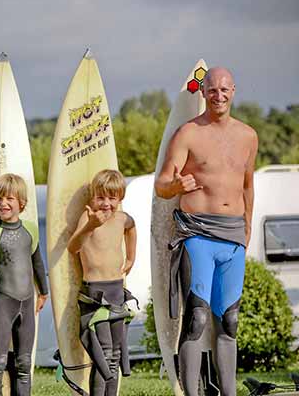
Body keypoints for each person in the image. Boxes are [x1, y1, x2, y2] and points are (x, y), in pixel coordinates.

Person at [154, 67, 258, 396]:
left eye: (225, 89)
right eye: (212, 90)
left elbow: (247, 185)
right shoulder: (187, 134)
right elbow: (161, 186)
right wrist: (175, 184)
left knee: (229, 321)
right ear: (204, 93)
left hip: (232, 237)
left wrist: (247, 226)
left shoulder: (248, 136)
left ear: (234, 91)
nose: (219, 95)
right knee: (197, 318)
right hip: (198, 234)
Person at [0, 173, 49, 396]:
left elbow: (37, 261)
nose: (3, 203)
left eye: (9, 199)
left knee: (24, 363)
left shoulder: (31, 229)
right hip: (4, 302)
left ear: (21, 203)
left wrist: (43, 292)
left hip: (27, 302)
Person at [67, 169, 137, 396]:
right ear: (92, 197)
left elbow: (131, 226)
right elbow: (73, 247)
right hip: (95, 295)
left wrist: (131, 257)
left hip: (117, 291)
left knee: (115, 355)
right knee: (104, 354)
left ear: (120, 198)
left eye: (112, 198)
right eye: (101, 197)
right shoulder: (88, 218)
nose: (106, 203)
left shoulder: (121, 218)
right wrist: (90, 226)